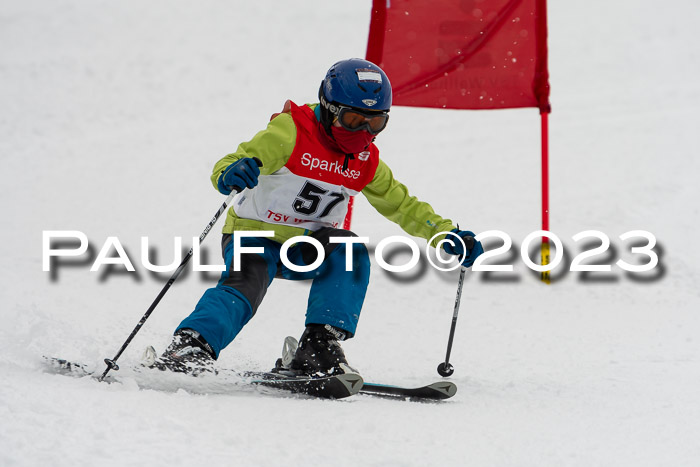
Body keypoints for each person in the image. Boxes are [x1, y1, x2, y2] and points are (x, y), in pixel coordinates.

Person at [151, 58, 484, 376]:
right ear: (330, 109)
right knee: (246, 284)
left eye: (376, 122)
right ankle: (192, 345)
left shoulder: (364, 160)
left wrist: (444, 233)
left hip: (306, 246)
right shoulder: (291, 133)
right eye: (354, 120)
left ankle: (319, 345)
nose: (365, 131)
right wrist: (231, 173)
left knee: (350, 252)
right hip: (254, 234)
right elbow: (234, 159)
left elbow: (402, 205)